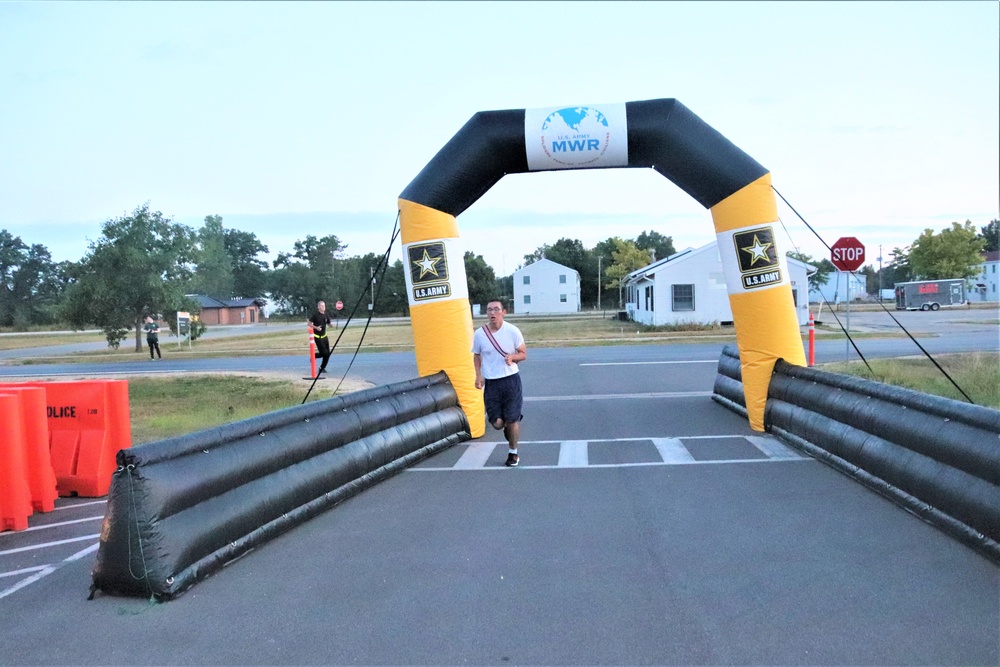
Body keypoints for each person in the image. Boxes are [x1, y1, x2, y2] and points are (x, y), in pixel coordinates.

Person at [471, 300, 527, 467]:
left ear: (504, 312)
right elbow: (476, 355)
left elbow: (523, 354)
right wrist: (478, 375)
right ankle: (507, 428)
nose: (492, 313)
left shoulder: (512, 331)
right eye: (489, 310)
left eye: (496, 309)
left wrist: (513, 357)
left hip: (511, 380)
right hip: (492, 383)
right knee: (497, 423)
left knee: (511, 420)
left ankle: (513, 453)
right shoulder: (480, 334)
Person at [309, 300, 333, 373]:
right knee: (324, 353)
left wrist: (331, 325)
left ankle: (322, 368)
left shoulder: (326, 315)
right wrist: (316, 328)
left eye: (324, 306)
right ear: (318, 307)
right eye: (322, 306)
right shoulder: (315, 315)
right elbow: (309, 324)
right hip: (318, 337)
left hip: (324, 337)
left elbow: (328, 323)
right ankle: (314, 356)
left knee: (328, 353)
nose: (323, 307)